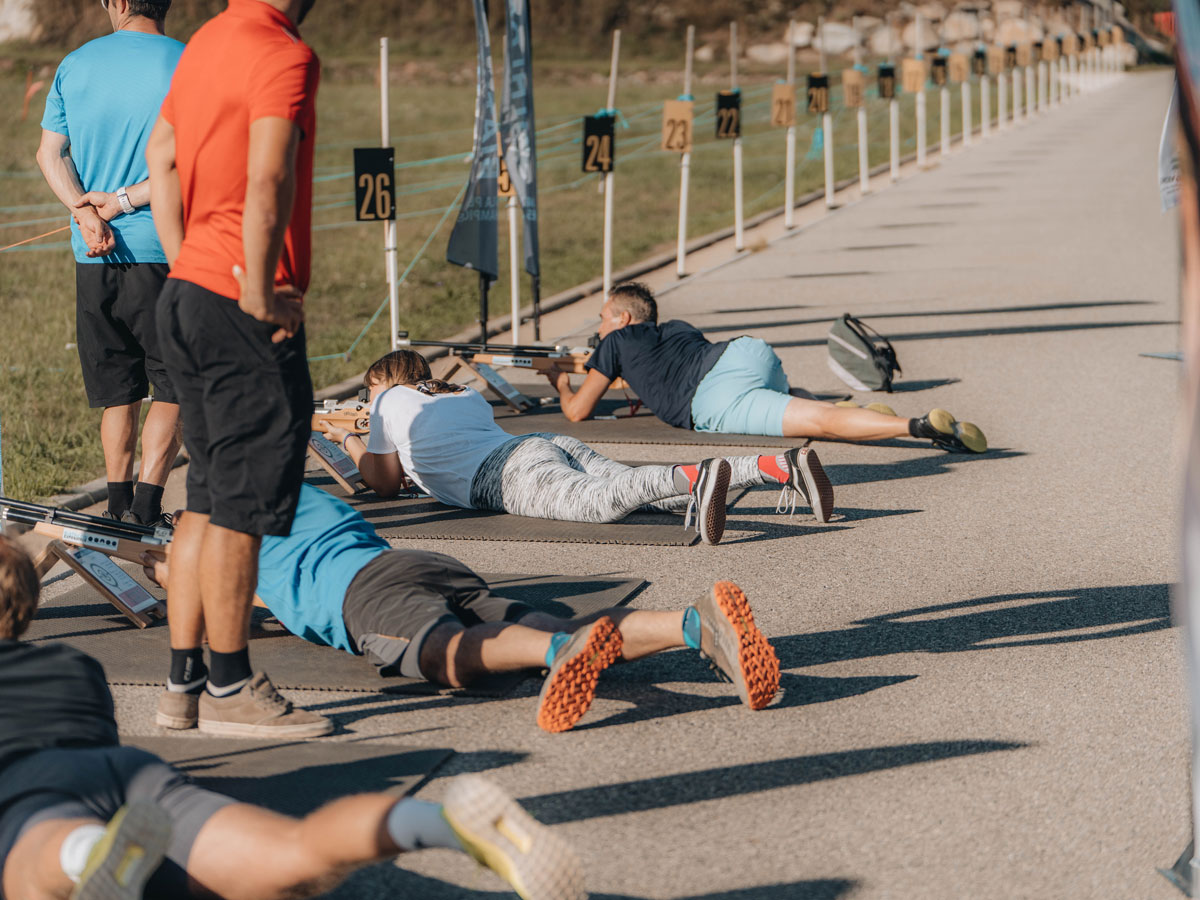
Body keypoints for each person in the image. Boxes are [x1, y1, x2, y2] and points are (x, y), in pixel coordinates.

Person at [0, 536, 584, 900]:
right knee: (292, 855)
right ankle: (440, 824)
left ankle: (83, 854)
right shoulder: (71, 665)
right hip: (129, 777)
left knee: (33, 864)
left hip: (32, 790)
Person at [146, 484, 782, 734]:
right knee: (545, 621)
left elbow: (209, 598)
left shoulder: (218, 529)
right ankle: (692, 624)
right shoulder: (297, 491)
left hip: (363, 596)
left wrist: (164, 563)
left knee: (442, 657)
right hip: (417, 563)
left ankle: (561, 655)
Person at [145, 0, 326, 736]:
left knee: (206, 496)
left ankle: (182, 687)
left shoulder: (209, 39)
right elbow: (269, 173)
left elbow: (161, 155)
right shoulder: (284, 53)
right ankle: (231, 687)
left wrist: (187, 260)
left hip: (185, 292)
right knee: (242, 509)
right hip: (237, 303)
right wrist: (253, 289)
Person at [317, 349, 836, 535]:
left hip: (503, 475)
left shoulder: (388, 403)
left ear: (386, 381)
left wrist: (348, 439)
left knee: (600, 506)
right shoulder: (461, 394)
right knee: (644, 496)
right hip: (540, 444)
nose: (368, 398)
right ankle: (774, 466)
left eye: (371, 389)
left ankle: (695, 477)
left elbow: (382, 484)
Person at [35, 0, 183, 527]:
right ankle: (145, 510)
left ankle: (116, 507)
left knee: (119, 390)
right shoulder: (187, 62)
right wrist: (119, 202)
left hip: (93, 255)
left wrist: (82, 210)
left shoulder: (75, 62)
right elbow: (189, 164)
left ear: (116, 3)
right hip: (162, 249)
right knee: (173, 385)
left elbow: (50, 155)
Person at [546, 281, 988, 453]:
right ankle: (863, 413)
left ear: (622, 319)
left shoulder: (616, 342)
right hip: (745, 353)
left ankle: (920, 427)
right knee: (793, 403)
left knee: (820, 423)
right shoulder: (675, 326)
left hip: (712, 398)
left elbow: (578, 412)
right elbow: (659, 365)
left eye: (603, 318)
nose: (600, 327)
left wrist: (560, 381)